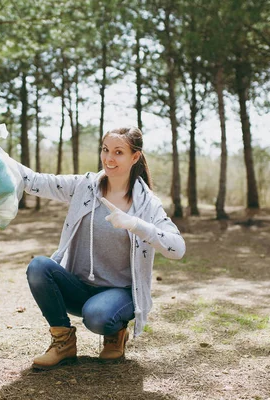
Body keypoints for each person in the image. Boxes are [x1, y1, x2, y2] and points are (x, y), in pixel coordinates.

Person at [11, 126, 186, 370]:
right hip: (79, 287)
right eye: (105, 150)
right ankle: (63, 343)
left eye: (118, 152)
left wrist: (136, 224)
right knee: (39, 266)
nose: (108, 158)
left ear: (135, 157)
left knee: (97, 317)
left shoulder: (147, 205)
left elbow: (177, 248)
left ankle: (116, 332)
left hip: (119, 294)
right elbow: (35, 181)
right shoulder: (84, 186)